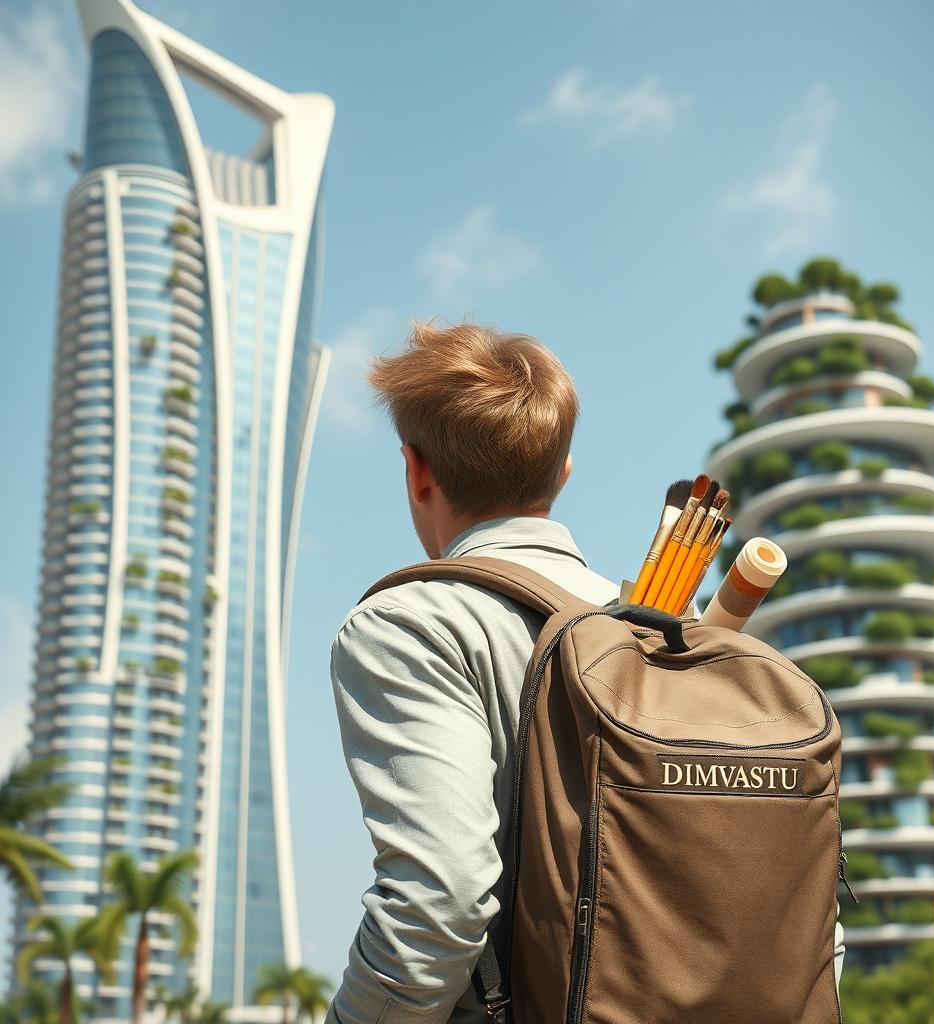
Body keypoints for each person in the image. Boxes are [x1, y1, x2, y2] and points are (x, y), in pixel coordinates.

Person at [325, 321, 844, 1023]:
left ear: (415, 472)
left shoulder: (412, 625)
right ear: (562, 473)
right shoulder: (667, 634)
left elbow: (438, 908)